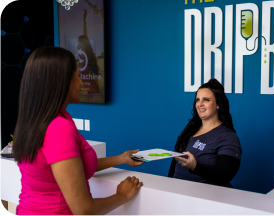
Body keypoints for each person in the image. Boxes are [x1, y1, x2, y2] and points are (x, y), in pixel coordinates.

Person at [13, 46, 143, 216]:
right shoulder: (58, 128)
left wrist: (121, 158)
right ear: (62, 82)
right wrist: (122, 195)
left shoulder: (33, 121)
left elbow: (70, 168)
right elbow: (84, 210)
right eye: (78, 76)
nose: (81, 82)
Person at [168, 79, 242, 188]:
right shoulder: (189, 130)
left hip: (206, 200)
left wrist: (195, 166)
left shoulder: (228, 137)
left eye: (206, 100)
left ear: (218, 104)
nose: (200, 104)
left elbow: (225, 174)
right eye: (197, 100)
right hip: (179, 195)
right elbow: (175, 164)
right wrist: (167, 186)